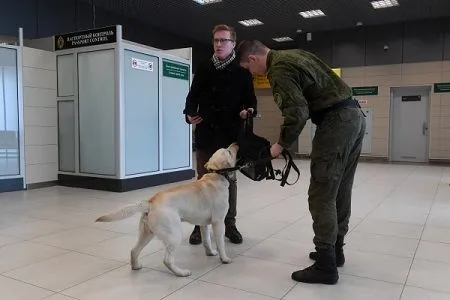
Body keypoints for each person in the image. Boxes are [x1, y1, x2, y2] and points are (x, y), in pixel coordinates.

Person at [236, 40, 366, 285]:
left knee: (321, 193)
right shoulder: (294, 53)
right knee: (340, 189)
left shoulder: (278, 69)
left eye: (248, 69)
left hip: (336, 123)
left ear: (253, 59)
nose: (251, 75)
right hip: (354, 117)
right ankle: (335, 251)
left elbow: (296, 111)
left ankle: (326, 265)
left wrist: (278, 146)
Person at [183, 25, 257, 245]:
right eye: (215, 40)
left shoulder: (242, 71)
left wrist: (249, 110)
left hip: (229, 137)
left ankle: (229, 224)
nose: (218, 44)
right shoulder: (205, 67)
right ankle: (199, 225)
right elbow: (192, 97)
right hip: (206, 133)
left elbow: (251, 100)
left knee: (229, 182)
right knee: (202, 180)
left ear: (233, 43)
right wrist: (188, 115)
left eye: (223, 40)